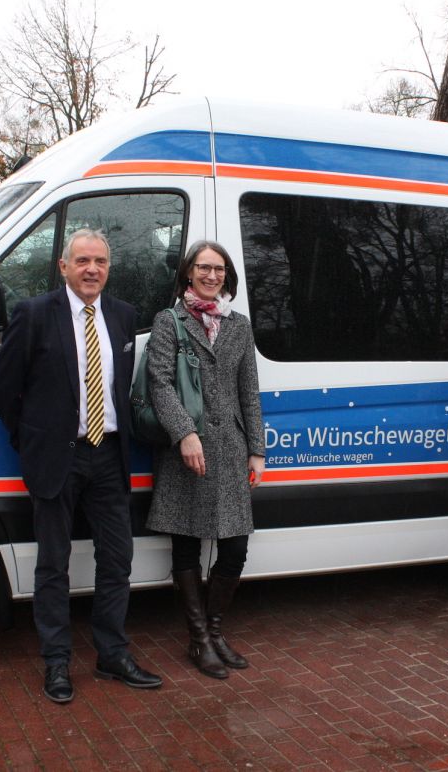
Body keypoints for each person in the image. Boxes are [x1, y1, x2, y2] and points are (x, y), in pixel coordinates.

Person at [0, 228, 162, 704]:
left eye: (101, 262)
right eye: (82, 260)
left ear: (109, 268)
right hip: (55, 458)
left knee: (117, 559)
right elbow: (4, 389)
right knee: (53, 565)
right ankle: (57, 663)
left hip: (108, 455)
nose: (92, 270)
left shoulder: (123, 317)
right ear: (63, 267)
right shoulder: (33, 314)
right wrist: (29, 442)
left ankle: (112, 655)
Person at [145, 240, 266, 679]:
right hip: (186, 452)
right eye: (203, 268)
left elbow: (248, 391)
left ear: (226, 276)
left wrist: (257, 449)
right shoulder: (169, 322)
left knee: (235, 547)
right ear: (188, 273)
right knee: (187, 542)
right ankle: (198, 639)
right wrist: (185, 433)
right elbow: (159, 384)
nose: (211, 276)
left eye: (218, 269)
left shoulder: (239, 326)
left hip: (231, 451)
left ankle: (215, 631)